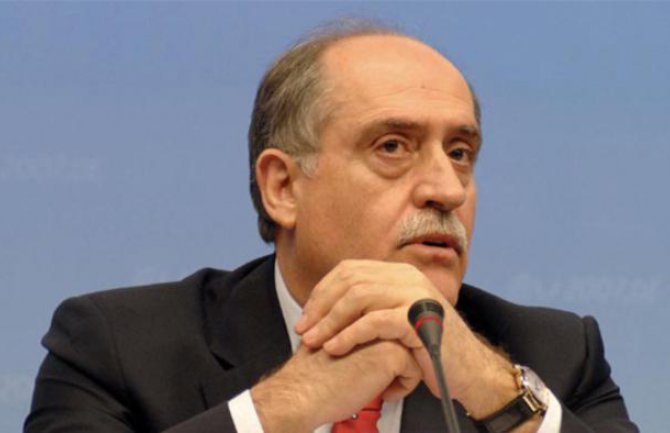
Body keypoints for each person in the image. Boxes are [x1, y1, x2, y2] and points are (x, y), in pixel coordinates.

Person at [25, 20, 638, 433]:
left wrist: (494, 390)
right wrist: (286, 406)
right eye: (392, 146)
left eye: (460, 153)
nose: (448, 189)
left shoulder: (555, 354)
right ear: (283, 187)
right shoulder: (117, 348)